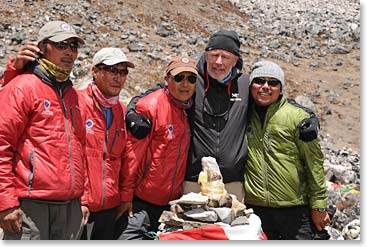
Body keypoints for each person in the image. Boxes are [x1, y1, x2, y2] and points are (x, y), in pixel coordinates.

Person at [125, 30, 320, 203]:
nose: (218, 62)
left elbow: (277, 100)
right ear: (206, 55)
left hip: (233, 183)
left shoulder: (244, 84)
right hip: (194, 181)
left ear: (236, 59)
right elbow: (156, 93)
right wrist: (132, 112)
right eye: (214, 55)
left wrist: (311, 118)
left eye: (225, 57)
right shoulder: (192, 81)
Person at [0, 44, 134, 240]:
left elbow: (125, 157)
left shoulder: (121, 110)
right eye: (112, 70)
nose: (118, 77)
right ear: (95, 71)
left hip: (108, 207)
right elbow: (72, 153)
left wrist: (125, 196)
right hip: (78, 206)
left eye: (123, 72)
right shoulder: (76, 101)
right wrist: (83, 199)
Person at [0, 20, 88, 240]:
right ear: (42, 47)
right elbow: (2, 144)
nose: (69, 52)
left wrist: (84, 198)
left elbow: (82, 150)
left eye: (73, 46)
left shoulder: (72, 94)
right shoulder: (22, 87)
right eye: (61, 45)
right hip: (31, 207)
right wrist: (6, 202)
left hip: (70, 208)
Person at [244, 60, 330, 240]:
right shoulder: (242, 114)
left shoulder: (298, 117)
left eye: (273, 82)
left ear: (281, 88)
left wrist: (319, 206)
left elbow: (314, 164)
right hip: (256, 210)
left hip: (295, 210)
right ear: (251, 84)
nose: (265, 87)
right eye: (259, 81)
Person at [118, 55, 198, 240]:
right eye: (179, 78)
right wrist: (126, 196)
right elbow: (132, 156)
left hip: (170, 204)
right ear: (167, 80)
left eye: (191, 79)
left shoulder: (188, 109)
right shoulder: (150, 106)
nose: (185, 84)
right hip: (140, 202)